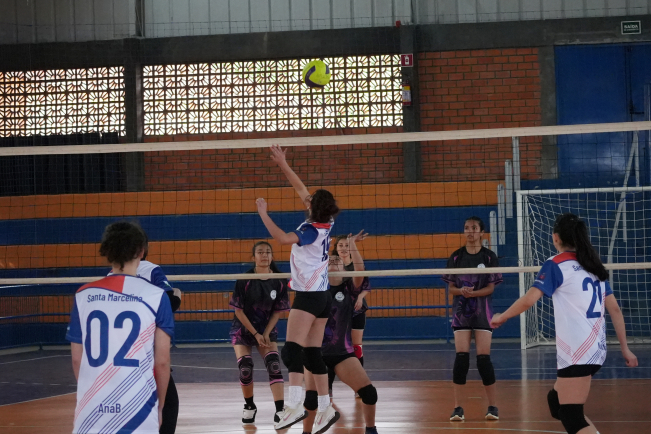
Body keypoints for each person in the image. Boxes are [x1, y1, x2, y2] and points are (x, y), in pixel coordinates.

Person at [491, 213, 638, 434]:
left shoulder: (556, 264)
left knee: (571, 415)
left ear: (556, 237)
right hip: (595, 350)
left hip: (578, 351)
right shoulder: (592, 264)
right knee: (556, 402)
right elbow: (615, 309)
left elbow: (529, 300)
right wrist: (625, 348)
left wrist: (502, 316)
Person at [256, 144, 340, 434]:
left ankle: (293, 406)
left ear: (313, 207)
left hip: (308, 297)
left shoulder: (310, 230)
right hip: (323, 297)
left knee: (291, 353)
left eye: (310, 200)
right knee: (312, 354)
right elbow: (301, 189)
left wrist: (263, 213)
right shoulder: (327, 221)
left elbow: (281, 239)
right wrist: (283, 163)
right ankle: (326, 407)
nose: (306, 198)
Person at [66, 221, 174, 434]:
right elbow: (162, 362)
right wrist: (160, 406)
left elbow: (77, 359)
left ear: (107, 252)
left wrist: (92, 393)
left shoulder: (83, 295)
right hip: (139, 409)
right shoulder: (157, 296)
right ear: (141, 252)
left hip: (92, 410)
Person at [300, 230, 379, 434]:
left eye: (338, 261)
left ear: (345, 268)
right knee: (311, 399)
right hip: (316, 354)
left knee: (370, 394)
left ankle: (371, 430)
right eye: (331, 260)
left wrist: (352, 244)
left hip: (342, 354)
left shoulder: (349, 290)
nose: (335, 261)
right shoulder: (315, 289)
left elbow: (360, 270)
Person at [108, 238, 182, 434]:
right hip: (143, 351)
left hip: (113, 355)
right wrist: (177, 295)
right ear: (142, 251)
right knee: (168, 403)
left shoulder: (108, 277)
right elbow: (169, 303)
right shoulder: (150, 268)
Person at [441, 216, 502, 421]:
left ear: (482, 232)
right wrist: (462, 291)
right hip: (461, 312)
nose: (470, 231)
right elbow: (451, 288)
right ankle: (457, 408)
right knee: (461, 359)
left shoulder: (489, 257)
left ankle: (492, 406)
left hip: (483, 312)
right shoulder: (456, 257)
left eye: (474, 228)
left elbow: (491, 288)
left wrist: (473, 293)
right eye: (467, 228)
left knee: (484, 360)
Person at [229, 241, 290, 425]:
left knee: (274, 364)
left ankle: (280, 410)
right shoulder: (245, 279)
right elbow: (238, 311)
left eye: (268, 252)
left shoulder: (279, 280)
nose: (264, 255)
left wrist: (266, 333)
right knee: (245, 367)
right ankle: (249, 406)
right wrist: (256, 334)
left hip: (266, 329)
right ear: (253, 257)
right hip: (244, 328)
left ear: (272, 256)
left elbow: (278, 311)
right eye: (260, 252)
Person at [327, 233, 370, 397]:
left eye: (347, 245)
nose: (344, 248)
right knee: (330, 346)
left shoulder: (354, 269)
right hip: (335, 313)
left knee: (356, 346)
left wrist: (359, 297)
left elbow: (362, 280)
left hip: (355, 310)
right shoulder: (330, 267)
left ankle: (359, 386)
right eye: (341, 245)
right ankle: (327, 387)